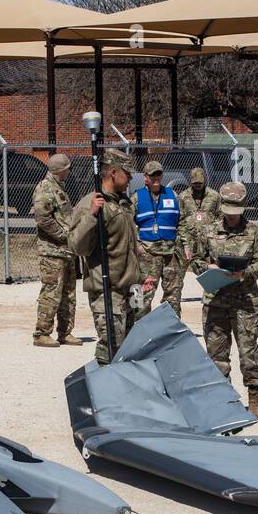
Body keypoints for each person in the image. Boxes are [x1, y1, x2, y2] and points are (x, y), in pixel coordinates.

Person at [188, 182, 258, 417]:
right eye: (228, 212)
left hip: (245, 301)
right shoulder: (208, 231)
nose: (232, 218)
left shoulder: (254, 232)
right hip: (216, 300)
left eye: (236, 213)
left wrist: (244, 274)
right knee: (216, 355)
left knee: (249, 353)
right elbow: (195, 259)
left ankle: (254, 399)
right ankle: (224, 401)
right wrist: (209, 267)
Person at [69, 148, 155, 364]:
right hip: (107, 290)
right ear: (113, 172)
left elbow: (130, 246)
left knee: (134, 346)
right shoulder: (92, 203)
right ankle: (106, 392)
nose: (130, 179)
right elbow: (77, 247)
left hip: (131, 289)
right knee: (111, 348)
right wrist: (91, 216)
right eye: (127, 174)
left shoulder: (123, 203)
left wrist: (141, 275)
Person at [31, 153, 81, 348]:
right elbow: (43, 219)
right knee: (51, 292)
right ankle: (41, 333)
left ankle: (65, 332)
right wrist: (64, 236)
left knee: (68, 293)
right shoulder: (45, 189)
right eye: (67, 168)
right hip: (52, 251)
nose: (69, 171)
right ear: (61, 170)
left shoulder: (59, 188)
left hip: (66, 251)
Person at [132, 160, 184, 316]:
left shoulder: (172, 195)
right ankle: (135, 327)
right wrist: (137, 246)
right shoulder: (136, 197)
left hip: (171, 254)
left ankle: (170, 329)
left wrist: (183, 245)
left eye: (159, 175)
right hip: (147, 254)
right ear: (145, 177)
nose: (156, 178)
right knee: (140, 294)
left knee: (173, 295)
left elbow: (183, 222)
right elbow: (128, 225)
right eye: (152, 175)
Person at [176, 166, 220, 265]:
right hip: (189, 240)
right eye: (195, 183)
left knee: (210, 270)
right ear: (190, 181)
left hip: (209, 241)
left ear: (204, 181)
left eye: (200, 183)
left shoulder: (214, 196)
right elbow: (180, 220)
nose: (197, 185)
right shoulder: (182, 197)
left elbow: (220, 217)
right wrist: (186, 242)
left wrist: (215, 236)